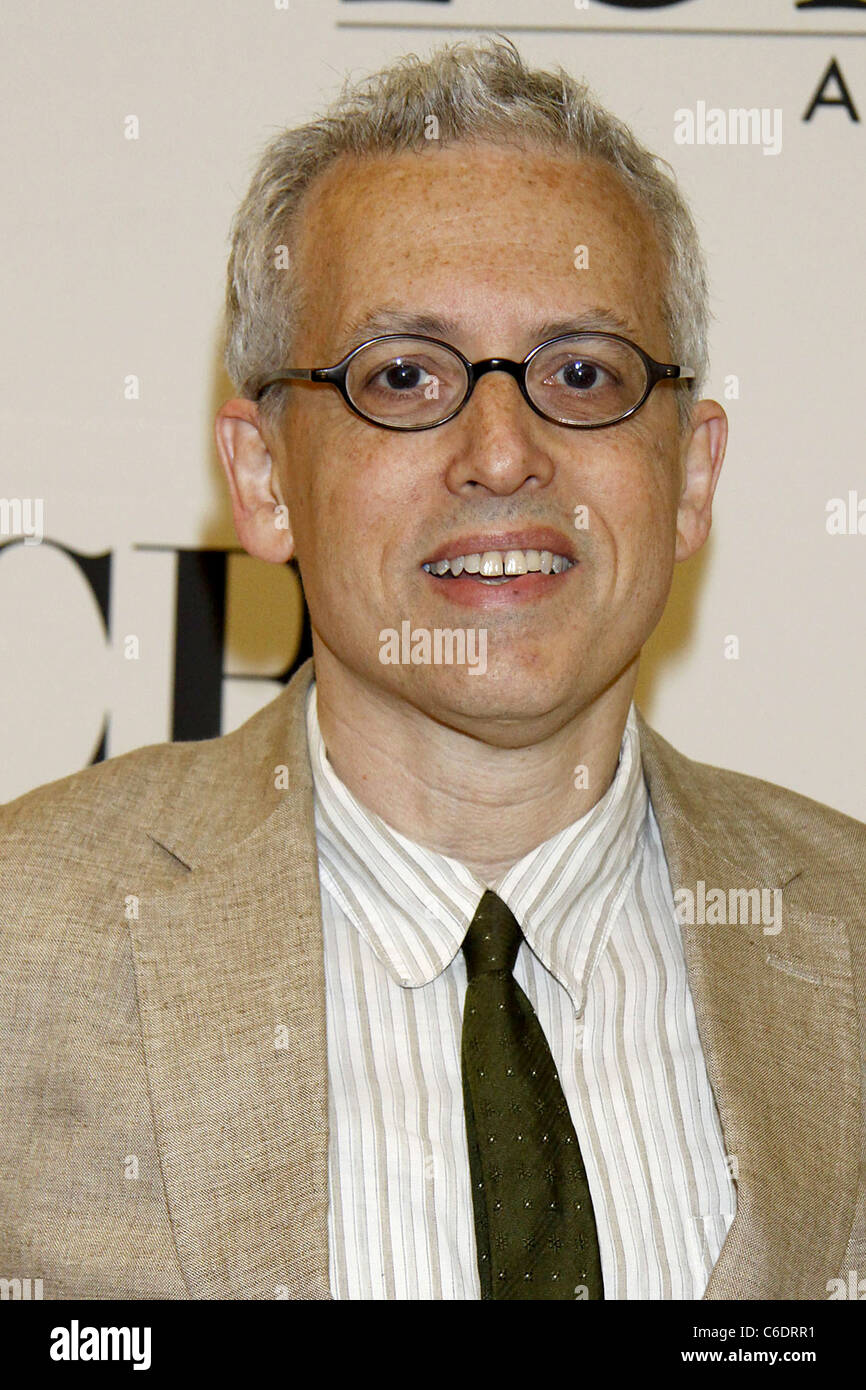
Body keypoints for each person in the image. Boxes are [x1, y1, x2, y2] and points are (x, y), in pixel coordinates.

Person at [1, 38, 863, 1302]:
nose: (502, 454)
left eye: (582, 373)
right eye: (402, 375)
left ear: (689, 474)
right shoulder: (23, 940)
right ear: (261, 478)